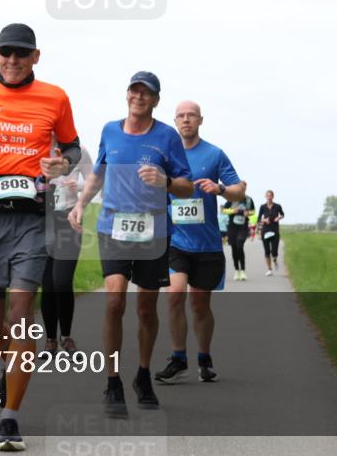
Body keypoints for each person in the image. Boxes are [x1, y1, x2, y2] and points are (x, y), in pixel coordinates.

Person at [0, 23, 81, 452]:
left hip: (31, 218)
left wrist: (63, 165)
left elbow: (73, 148)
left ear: (35, 57)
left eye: (22, 54)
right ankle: (16, 358)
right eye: (6, 52)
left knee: (21, 312)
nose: (13, 60)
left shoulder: (55, 97)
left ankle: (9, 419)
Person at [69, 72, 193, 416]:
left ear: (155, 100)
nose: (139, 97)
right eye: (134, 90)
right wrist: (81, 202)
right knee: (114, 301)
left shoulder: (167, 137)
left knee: (145, 309)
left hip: (153, 232)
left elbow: (187, 186)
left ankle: (141, 375)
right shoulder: (110, 130)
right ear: (127, 95)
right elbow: (99, 173)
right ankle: (112, 382)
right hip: (113, 229)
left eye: (146, 93)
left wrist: (166, 180)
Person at [154, 102, 244, 385]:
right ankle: (178, 357)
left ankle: (204, 358)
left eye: (190, 115)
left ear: (200, 120)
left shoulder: (214, 154)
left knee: (200, 305)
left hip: (207, 244)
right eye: (180, 116)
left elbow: (239, 192)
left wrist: (219, 189)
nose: (185, 119)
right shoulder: (165, 156)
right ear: (175, 121)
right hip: (176, 241)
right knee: (175, 293)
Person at [39, 144, 92, 359]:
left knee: (61, 281)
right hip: (42, 221)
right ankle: (50, 340)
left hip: (69, 220)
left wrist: (77, 186)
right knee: (48, 284)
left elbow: (94, 181)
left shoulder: (80, 151)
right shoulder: (37, 148)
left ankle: (66, 337)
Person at [223, 181, 255, 281]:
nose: (242, 189)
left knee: (240, 245)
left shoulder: (249, 200)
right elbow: (223, 210)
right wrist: (233, 211)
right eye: (241, 187)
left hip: (243, 226)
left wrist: (248, 213)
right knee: (234, 248)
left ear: (245, 189)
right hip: (232, 227)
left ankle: (243, 271)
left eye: (244, 188)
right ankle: (237, 270)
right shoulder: (231, 198)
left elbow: (253, 211)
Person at [259, 190, 285, 275]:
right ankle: (269, 269)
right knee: (267, 252)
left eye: (270, 196)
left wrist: (279, 218)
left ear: (273, 196)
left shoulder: (277, 206)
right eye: (267, 196)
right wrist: (264, 220)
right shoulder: (262, 207)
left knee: (274, 251)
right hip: (265, 231)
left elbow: (282, 214)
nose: (269, 197)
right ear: (265, 197)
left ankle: (275, 259)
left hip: (274, 230)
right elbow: (259, 219)